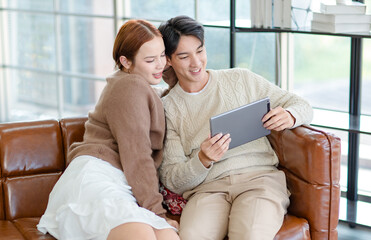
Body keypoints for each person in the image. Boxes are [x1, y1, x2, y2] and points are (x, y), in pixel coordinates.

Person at [158, 15, 313, 240]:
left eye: (200, 51)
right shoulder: (167, 108)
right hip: (207, 190)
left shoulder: (241, 79)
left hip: (259, 180)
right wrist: (202, 159)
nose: (196, 62)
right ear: (169, 60)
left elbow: (302, 105)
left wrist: (290, 115)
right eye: (184, 56)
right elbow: (173, 179)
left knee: (250, 235)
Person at [37, 19, 180, 240]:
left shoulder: (131, 82)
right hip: (97, 179)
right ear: (126, 61)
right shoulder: (131, 86)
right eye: (151, 59)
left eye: (163, 55)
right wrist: (157, 211)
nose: (161, 64)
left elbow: (160, 97)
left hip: (116, 180)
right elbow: (137, 155)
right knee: (144, 235)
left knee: (167, 236)